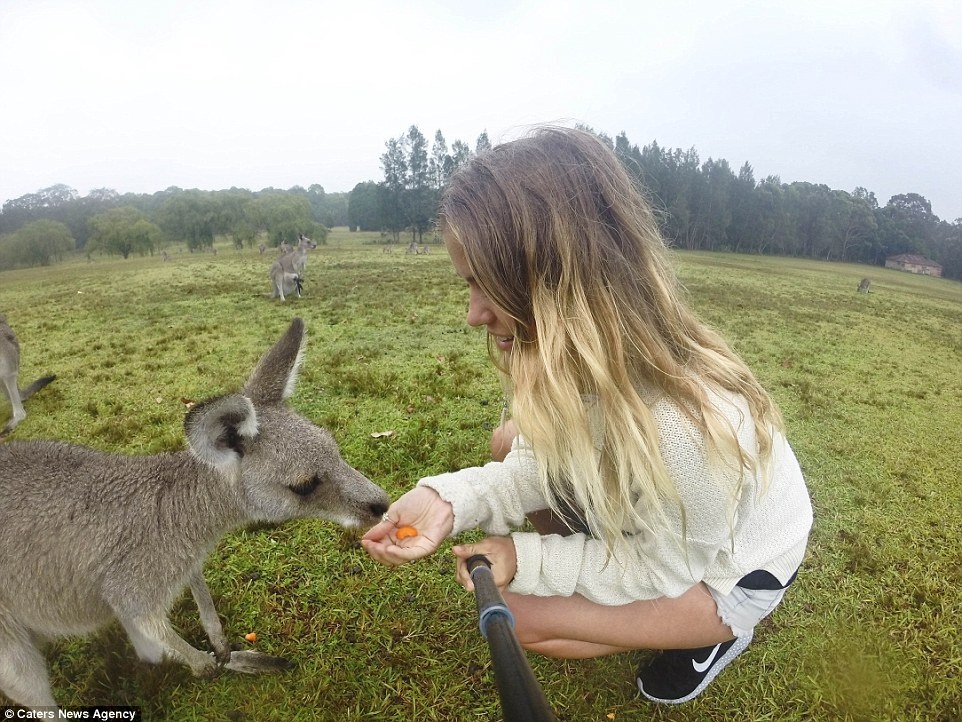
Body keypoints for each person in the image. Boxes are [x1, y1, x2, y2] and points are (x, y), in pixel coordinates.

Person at [362, 126, 813, 705]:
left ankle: (713, 635)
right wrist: (452, 501)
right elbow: (530, 467)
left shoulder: (690, 430)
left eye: (487, 286)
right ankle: (611, 570)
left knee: (521, 620)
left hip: (728, 571)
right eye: (468, 285)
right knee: (510, 441)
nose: (473, 314)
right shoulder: (570, 361)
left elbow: (661, 570)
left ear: (559, 284)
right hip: (671, 529)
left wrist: (523, 556)